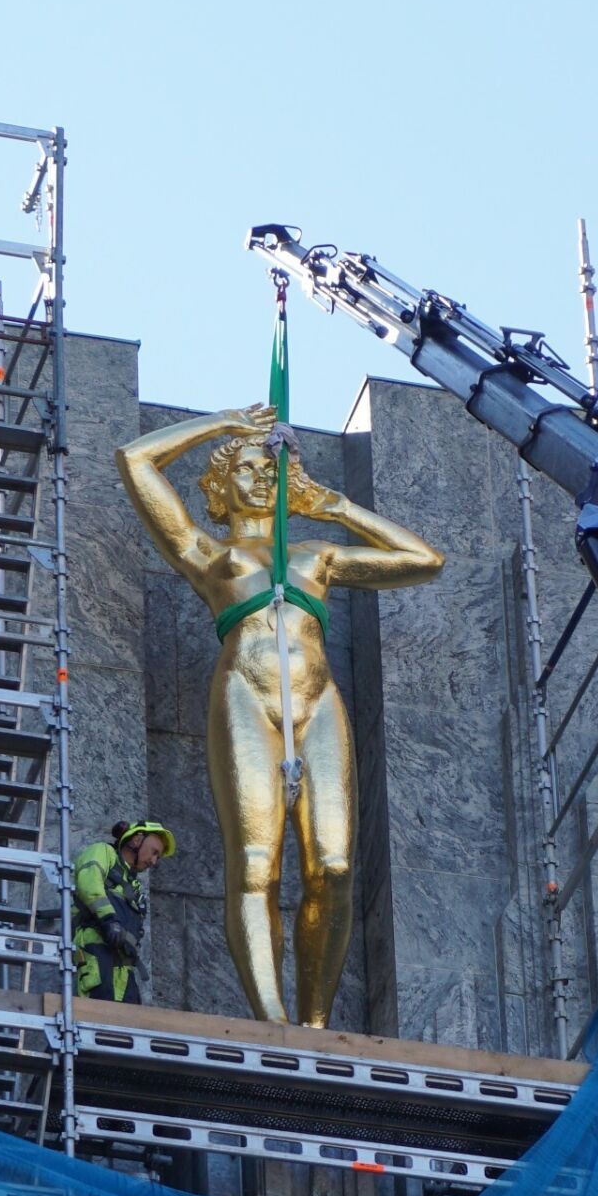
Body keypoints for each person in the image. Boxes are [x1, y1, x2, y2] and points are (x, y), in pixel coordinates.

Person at [116, 404, 442, 1027]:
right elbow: (135, 460)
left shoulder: (316, 556)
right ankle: (271, 1018)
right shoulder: (211, 556)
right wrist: (226, 425)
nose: (262, 475)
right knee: (258, 863)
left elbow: (425, 560)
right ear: (219, 485)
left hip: (317, 702)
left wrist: (335, 507)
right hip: (246, 696)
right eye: (246, 467)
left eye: (271, 466)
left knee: (336, 866)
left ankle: (314, 1023)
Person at [71, 820, 176, 1004]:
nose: (153, 861)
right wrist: (109, 919)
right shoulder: (103, 852)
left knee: (128, 1017)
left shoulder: (133, 885)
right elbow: (89, 883)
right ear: (137, 840)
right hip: (96, 945)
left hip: (123, 962)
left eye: (157, 857)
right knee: (99, 1008)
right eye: (154, 852)